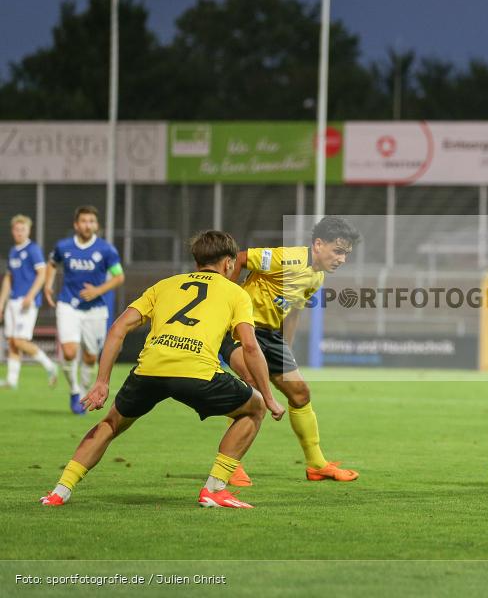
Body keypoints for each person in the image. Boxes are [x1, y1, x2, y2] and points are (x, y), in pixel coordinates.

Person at [40, 230, 284, 508]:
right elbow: (251, 348)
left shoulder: (165, 285)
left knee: (110, 423)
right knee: (254, 408)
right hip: (197, 373)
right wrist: (269, 396)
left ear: (196, 262)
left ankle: (60, 491)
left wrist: (102, 381)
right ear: (229, 263)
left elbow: (119, 328)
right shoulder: (235, 293)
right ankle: (214, 489)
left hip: (150, 369)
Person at [220, 215, 361, 486]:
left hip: (270, 336)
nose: (342, 259)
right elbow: (240, 258)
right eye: (338, 251)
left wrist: (286, 346)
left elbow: (294, 310)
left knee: (300, 393)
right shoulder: (288, 258)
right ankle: (231, 463)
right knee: (252, 388)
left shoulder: (317, 277)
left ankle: (317, 465)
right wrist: (227, 297)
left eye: (346, 254)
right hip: (241, 327)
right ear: (318, 244)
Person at [44, 206, 124, 414]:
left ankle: (84, 390)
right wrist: (47, 285)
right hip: (68, 305)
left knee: (90, 357)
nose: (88, 225)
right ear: (76, 224)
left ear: (96, 225)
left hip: (96, 310)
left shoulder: (106, 250)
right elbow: (52, 264)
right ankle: (75, 391)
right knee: (70, 352)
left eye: (91, 221)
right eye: (84, 221)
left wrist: (98, 290)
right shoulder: (64, 246)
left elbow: (118, 277)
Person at [0, 215, 58, 388]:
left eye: (22, 229)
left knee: (19, 341)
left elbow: (42, 273)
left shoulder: (33, 249)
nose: (19, 232)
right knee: (11, 341)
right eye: (16, 229)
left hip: (27, 302)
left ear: (28, 230)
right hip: (13, 301)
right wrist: (1, 302)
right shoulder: (13, 251)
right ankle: (11, 380)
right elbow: (8, 279)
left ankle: (51, 366)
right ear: (12, 231)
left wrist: (31, 295)